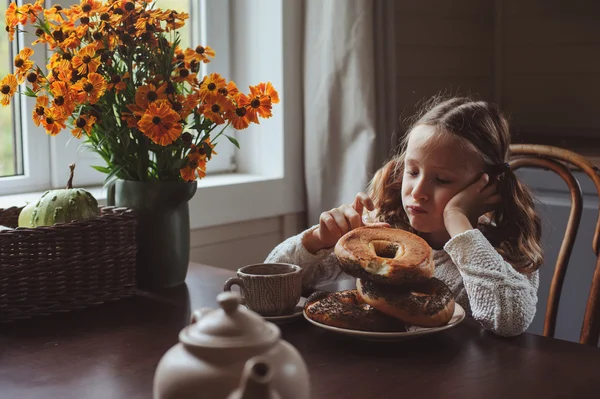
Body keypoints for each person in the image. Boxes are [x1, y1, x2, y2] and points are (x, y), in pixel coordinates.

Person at [265, 96, 543, 337]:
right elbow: (271, 284)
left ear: (485, 185)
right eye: (412, 171)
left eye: (442, 179)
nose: (418, 191)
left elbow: (509, 321)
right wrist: (317, 241)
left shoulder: (502, 251)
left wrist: (457, 220)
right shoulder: (383, 230)